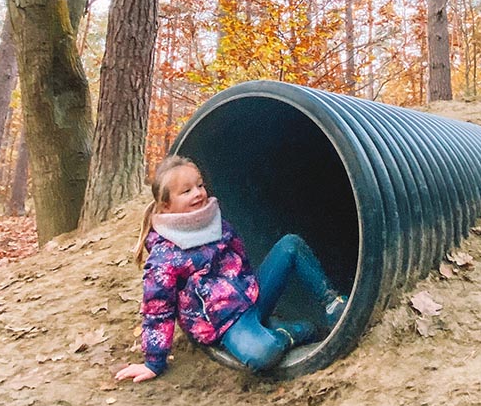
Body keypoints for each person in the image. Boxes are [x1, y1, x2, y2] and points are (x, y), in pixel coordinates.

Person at [115, 156, 347, 383]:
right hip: (225, 324)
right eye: (186, 191)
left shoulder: (216, 223)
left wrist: (253, 285)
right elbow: (158, 310)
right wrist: (153, 362)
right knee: (263, 354)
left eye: (200, 185)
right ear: (166, 206)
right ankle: (295, 331)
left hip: (252, 296)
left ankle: (332, 304)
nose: (198, 193)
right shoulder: (164, 257)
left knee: (290, 245)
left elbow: (241, 256)